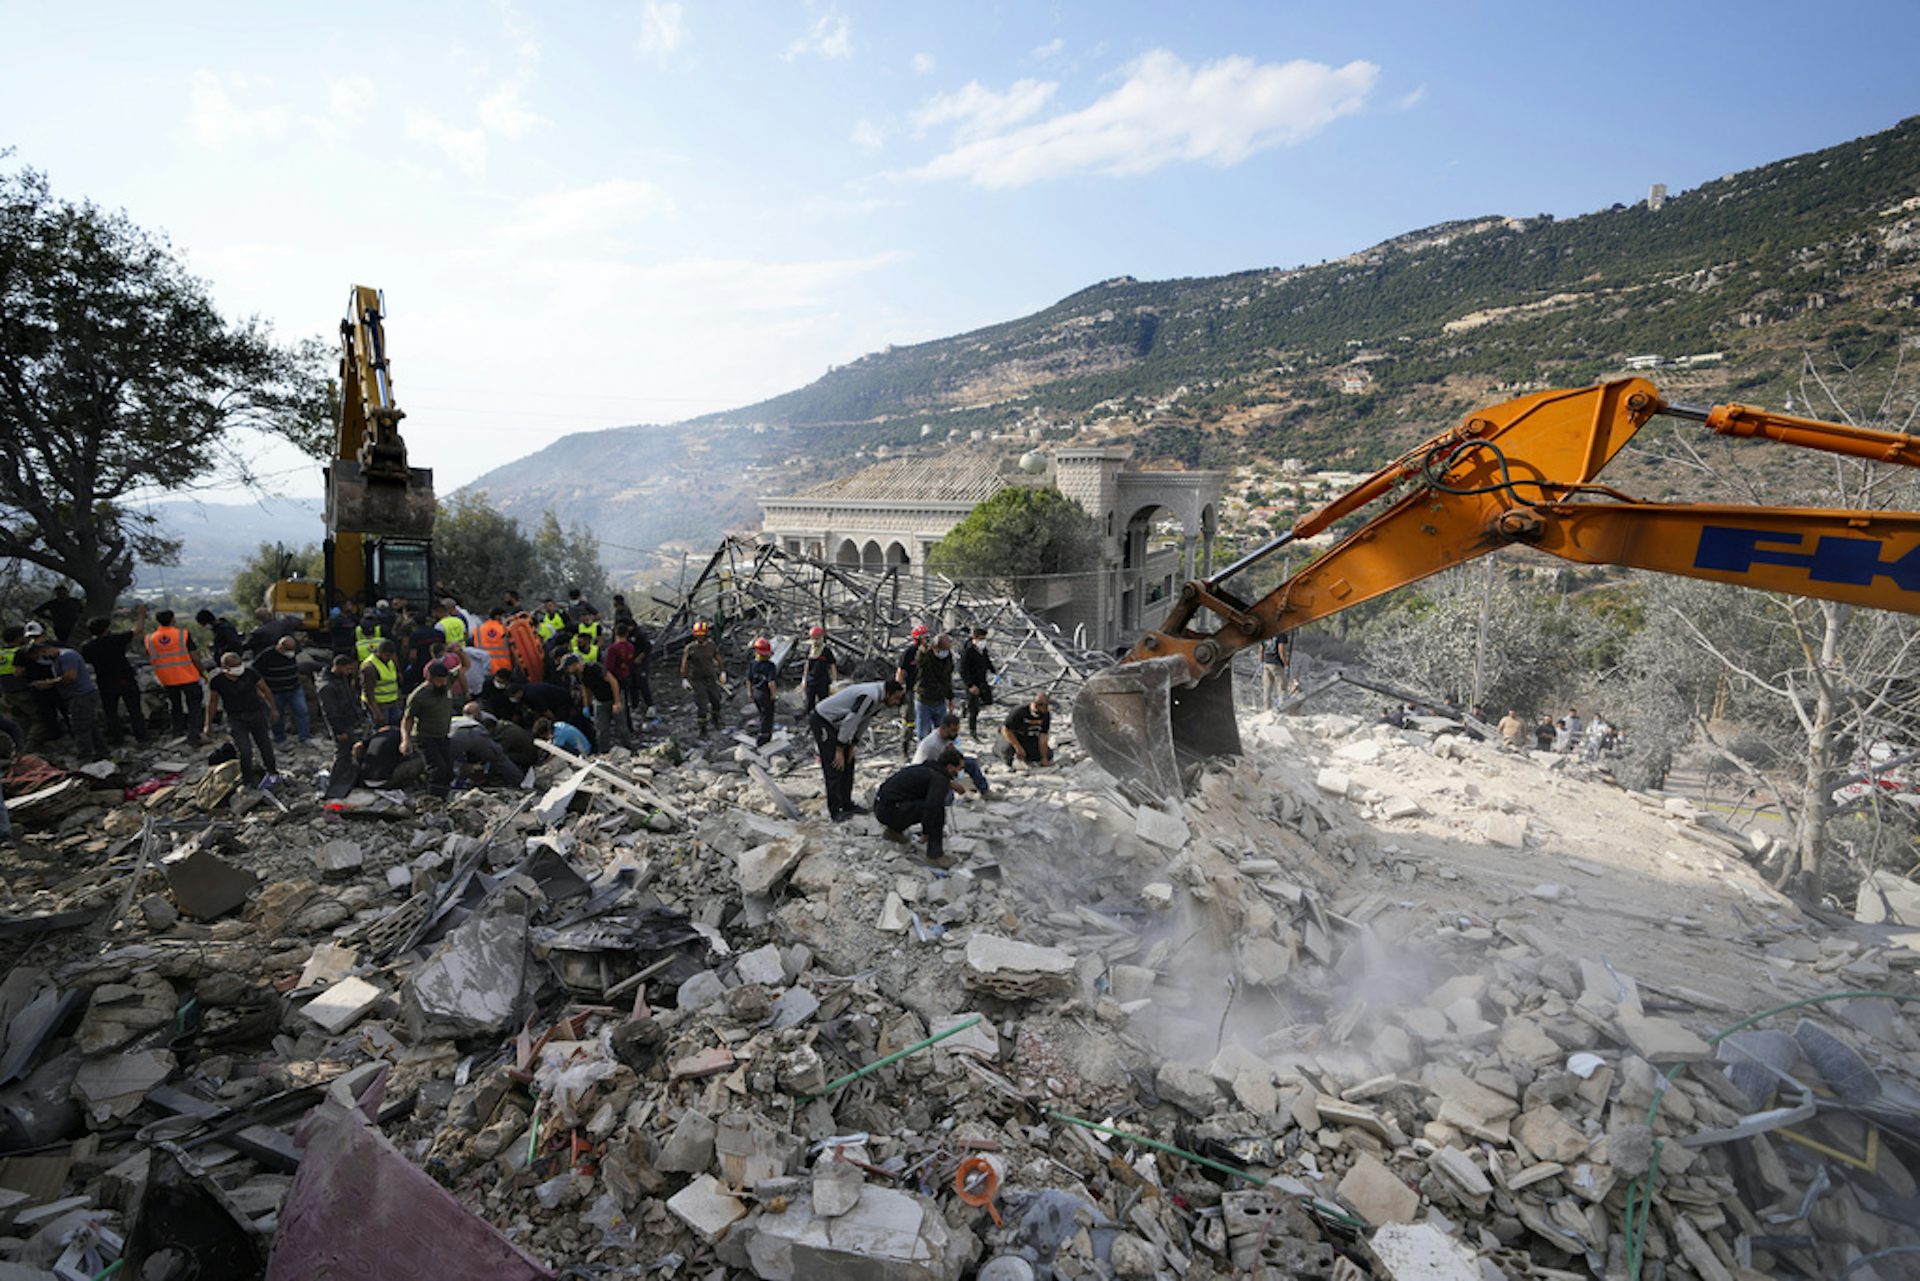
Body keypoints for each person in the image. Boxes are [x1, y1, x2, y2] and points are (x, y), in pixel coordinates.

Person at [810, 678, 905, 821]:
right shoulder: (870, 696)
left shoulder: (879, 700)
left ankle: (846, 803)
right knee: (834, 764)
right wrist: (840, 748)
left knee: (849, 762)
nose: (897, 702)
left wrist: (853, 743)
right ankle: (835, 811)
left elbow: (864, 719)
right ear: (888, 693)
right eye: (896, 698)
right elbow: (852, 719)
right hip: (824, 720)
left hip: (839, 725)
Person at [875, 747, 965, 865]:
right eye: (959, 769)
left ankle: (894, 831)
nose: (959, 772)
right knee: (937, 810)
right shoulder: (939, 779)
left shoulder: (928, 769)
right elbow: (933, 809)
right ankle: (935, 855)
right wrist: (930, 832)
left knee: (924, 803)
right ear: (949, 767)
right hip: (891, 810)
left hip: (882, 807)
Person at [29, 638, 108, 759]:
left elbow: (70, 677)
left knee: (80, 727)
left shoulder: (66, 656)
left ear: (44, 650)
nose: (41, 658)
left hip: (81, 695)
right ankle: (101, 752)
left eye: (40, 655)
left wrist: (49, 683)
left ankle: (86, 755)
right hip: (76, 695)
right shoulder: (57, 659)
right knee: (89, 726)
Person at [82, 608, 150, 747]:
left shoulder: (87, 647)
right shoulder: (116, 640)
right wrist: (141, 615)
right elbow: (137, 630)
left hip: (105, 682)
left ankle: (118, 740)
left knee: (111, 713)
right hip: (125, 679)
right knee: (134, 710)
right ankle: (142, 738)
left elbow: (88, 661)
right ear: (106, 629)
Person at [205, 652, 277, 781]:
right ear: (225, 668)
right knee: (244, 750)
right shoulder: (217, 681)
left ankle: (272, 773)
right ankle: (248, 779)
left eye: (239, 665)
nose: (239, 669)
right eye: (234, 666)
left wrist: (273, 708)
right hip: (236, 719)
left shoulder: (250, 673)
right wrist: (208, 724)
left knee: (266, 746)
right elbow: (212, 702)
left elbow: (265, 690)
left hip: (256, 714)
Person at [145, 609, 206, 746]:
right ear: (173, 619)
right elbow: (194, 656)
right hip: (188, 675)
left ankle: (177, 731)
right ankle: (194, 735)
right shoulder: (182, 634)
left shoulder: (150, 638)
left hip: (167, 679)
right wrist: (202, 672)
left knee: (175, 706)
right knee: (194, 706)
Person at [400, 658, 457, 799]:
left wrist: (458, 653)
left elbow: (465, 666)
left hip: (442, 736)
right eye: (439, 681)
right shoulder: (419, 696)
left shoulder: (447, 683)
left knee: (449, 770)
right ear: (430, 679)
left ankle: (443, 800)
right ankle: (432, 802)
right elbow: (407, 720)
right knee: (438, 770)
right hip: (425, 737)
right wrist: (405, 740)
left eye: (444, 680)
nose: (443, 683)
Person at [317, 652, 365, 799]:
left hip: (350, 721)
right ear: (338, 667)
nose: (349, 672)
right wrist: (339, 731)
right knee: (343, 755)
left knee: (351, 753)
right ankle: (334, 790)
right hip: (341, 726)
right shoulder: (327, 687)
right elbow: (330, 712)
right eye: (347, 669)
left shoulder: (341, 679)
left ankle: (349, 782)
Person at [450, 701, 529, 788]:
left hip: (455, 736)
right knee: (499, 758)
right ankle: (522, 782)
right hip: (474, 733)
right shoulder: (477, 719)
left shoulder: (455, 719)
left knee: (446, 762)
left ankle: (450, 786)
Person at [916, 713, 991, 800]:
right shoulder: (932, 745)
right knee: (948, 798)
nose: (956, 734)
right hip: (927, 773)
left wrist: (960, 761)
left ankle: (985, 792)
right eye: (953, 730)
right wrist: (952, 784)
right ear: (944, 728)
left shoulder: (947, 736)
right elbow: (933, 771)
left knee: (971, 763)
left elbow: (953, 751)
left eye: (957, 730)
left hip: (944, 766)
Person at [256, 633, 312, 746]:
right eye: (287, 650)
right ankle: (280, 738)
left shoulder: (294, 651)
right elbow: (255, 672)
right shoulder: (267, 655)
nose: (290, 653)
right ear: (279, 647)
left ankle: (304, 737)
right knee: (277, 715)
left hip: (295, 688)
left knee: (302, 712)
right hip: (275, 691)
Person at [680, 620, 725, 732]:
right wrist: (684, 678)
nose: (700, 637)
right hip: (697, 680)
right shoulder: (690, 648)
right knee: (702, 705)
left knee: (716, 701)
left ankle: (716, 721)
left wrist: (722, 671)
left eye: (702, 635)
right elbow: (684, 664)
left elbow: (718, 658)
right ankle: (703, 729)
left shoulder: (711, 645)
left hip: (711, 678)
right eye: (698, 635)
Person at [573, 653, 624, 750]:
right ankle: (604, 754)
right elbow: (586, 690)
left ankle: (630, 750)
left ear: (574, 664)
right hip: (600, 701)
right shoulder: (579, 675)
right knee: (601, 730)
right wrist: (586, 706)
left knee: (622, 728)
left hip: (612, 697)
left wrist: (617, 702)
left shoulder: (594, 667)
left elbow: (613, 682)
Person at [893, 625, 927, 757]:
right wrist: (898, 689)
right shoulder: (909, 653)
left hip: (926, 691)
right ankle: (904, 749)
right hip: (911, 691)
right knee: (909, 720)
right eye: (924, 638)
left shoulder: (929, 652)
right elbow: (901, 672)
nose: (927, 640)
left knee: (925, 721)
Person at [914, 633, 956, 741]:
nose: (944, 652)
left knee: (943, 734)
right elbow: (920, 662)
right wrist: (922, 650)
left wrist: (950, 698)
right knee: (923, 736)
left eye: (947, 649)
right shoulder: (925, 655)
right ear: (935, 648)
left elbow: (947, 678)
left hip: (940, 701)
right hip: (924, 701)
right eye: (942, 649)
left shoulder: (948, 657)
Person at [1000, 691, 1054, 767]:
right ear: (1036, 705)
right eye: (1044, 706)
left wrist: (1044, 757)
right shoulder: (1019, 711)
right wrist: (1018, 747)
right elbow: (1006, 730)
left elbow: (1043, 736)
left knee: (1048, 754)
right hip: (1013, 737)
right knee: (1007, 751)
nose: (1046, 709)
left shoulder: (1046, 714)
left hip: (1029, 737)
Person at [958, 628, 995, 739]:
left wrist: (992, 669)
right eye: (981, 639)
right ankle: (972, 731)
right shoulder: (968, 651)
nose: (983, 641)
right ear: (975, 638)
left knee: (988, 700)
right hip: (972, 683)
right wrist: (970, 685)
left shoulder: (982, 649)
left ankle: (966, 706)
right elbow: (962, 670)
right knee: (974, 709)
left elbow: (986, 660)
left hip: (982, 680)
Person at [361, 639, 403, 730]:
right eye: (388, 655)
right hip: (380, 706)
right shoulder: (370, 668)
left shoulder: (390, 662)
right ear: (380, 652)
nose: (390, 658)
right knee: (381, 732)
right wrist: (377, 713)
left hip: (392, 703)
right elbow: (368, 693)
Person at [605, 624, 638, 735]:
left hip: (615, 678)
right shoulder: (630, 647)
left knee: (615, 703)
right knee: (625, 703)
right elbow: (630, 662)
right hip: (626, 676)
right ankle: (629, 727)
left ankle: (620, 728)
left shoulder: (613, 648)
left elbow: (608, 667)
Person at [747, 636, 778, 747]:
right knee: (767, 717)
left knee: (761, 714)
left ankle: (761, 733)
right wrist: (774, 695)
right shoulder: (770, 666)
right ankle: (763, 739)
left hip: (756, 692)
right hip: (765, 694)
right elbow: (771, 683)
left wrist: (750, 693)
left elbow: (749, 680)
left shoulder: (752, 663)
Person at [800, 625, 837, 717]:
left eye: (817, 638)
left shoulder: (826, 651)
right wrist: (804, 679)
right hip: (811, 681)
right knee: (809, 704)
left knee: (824, 703)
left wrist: (834, 681)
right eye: (813, 638)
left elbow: (832, 665)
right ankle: (810, 722)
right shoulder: (810, 650)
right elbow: (807, 665)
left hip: (823, 681)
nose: (815, 641)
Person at [629, 624, 656, 716]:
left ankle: (650, 705)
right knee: (632, 685)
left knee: (642, 683)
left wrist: (640, 657)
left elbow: (648, 647)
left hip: (641, 663)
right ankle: (634, 705)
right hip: (630, 663)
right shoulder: (625, 634)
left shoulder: (640, 633)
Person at [1260, 634, 1291, 711]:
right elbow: (1281, 651)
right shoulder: (1281, 634)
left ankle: (1266, 709)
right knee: (1282, 688)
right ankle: (1283, 708)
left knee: (1267, 689)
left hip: (1267, 663)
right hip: (1276, 664)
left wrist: (1261, 661)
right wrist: (1286, 663)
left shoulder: (1266, 633)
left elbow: (1261, 650)